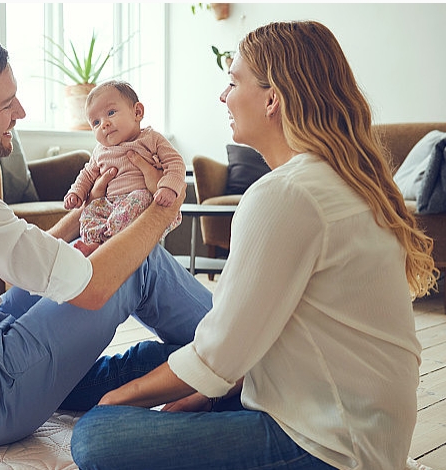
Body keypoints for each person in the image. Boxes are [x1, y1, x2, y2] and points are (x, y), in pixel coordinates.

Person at [70, 20, 438, 470]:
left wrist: (116, 401)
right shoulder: (343, 182)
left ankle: (77, 394)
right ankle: (60, 387)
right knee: (157, 357)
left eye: (232, 81)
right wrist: (203, 388)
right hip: (341, 410)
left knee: (95, 436)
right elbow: (248, 338)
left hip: (327, 443)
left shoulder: (288, 194)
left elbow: (219, 353)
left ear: (272, 99)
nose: (223, 96)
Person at [0, 34, 213, 449]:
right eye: (6, 104)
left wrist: (89, 209)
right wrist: (162, 210)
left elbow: (29, 250)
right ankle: (241, 353)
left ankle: (202, 365)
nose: (21, 112)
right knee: (137, 262)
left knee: (114, 259)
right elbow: (94, 286)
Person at [64, 80, 186, 256]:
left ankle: (110, 244)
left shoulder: (151, 139)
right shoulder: (100, 151)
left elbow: (175, 162)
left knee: (139, 198)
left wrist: (168, 187)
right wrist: (76, 192)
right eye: (96, 122)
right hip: (109, 203)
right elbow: (87, 175)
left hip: (139, 200)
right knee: (88, 212)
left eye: (111, 113)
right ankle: (96, 244)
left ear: (137, 112)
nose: (104, 124)